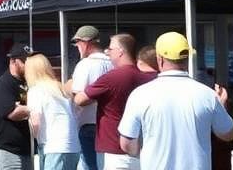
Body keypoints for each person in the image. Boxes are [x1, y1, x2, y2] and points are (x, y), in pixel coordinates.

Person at [117, 31, 233, 170]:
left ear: (159, 59)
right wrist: (221, 106)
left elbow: (126, 144)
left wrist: (144, 151)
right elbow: (228, 133)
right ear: (187, 59)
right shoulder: (207, 95)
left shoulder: (140, 95)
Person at [75, 34, 154, 170]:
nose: (107, 52)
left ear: (120, 51)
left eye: (110, 49)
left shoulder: (112, 77)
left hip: (113, 150)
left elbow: (79, 99)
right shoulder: (145, 77)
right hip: (139, 148)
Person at [68, 26, 113, 170]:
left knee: (90, 166)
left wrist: (67, 86)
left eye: (78, 43)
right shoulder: (113, 63)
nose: (77, 47)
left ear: (86, 42)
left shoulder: (85, 65)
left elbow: (78, 98)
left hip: (88, 124)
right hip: (110, 125)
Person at [25, 53, 80, 170]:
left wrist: (33, 136)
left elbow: (35, 122)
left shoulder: (35, 91)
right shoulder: (60, 88)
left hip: (53, 146)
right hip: (73, 146)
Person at [0, 43, 31, 170]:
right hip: (8, 150)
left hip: (26, 149)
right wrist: (33, 107)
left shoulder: (28, 81)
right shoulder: (4, 84)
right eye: (24, 60)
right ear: (13, 61)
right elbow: (13, 113)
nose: (28, 64)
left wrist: (23, 108)